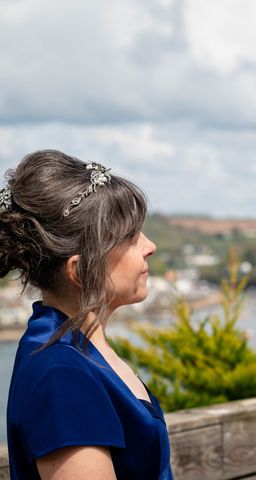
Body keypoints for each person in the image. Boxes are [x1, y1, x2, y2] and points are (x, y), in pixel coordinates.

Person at [1, 150, 173, 479]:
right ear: (80, 271)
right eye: (130, 237)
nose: (150, 245)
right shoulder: (62, 377)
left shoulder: (81, 349)